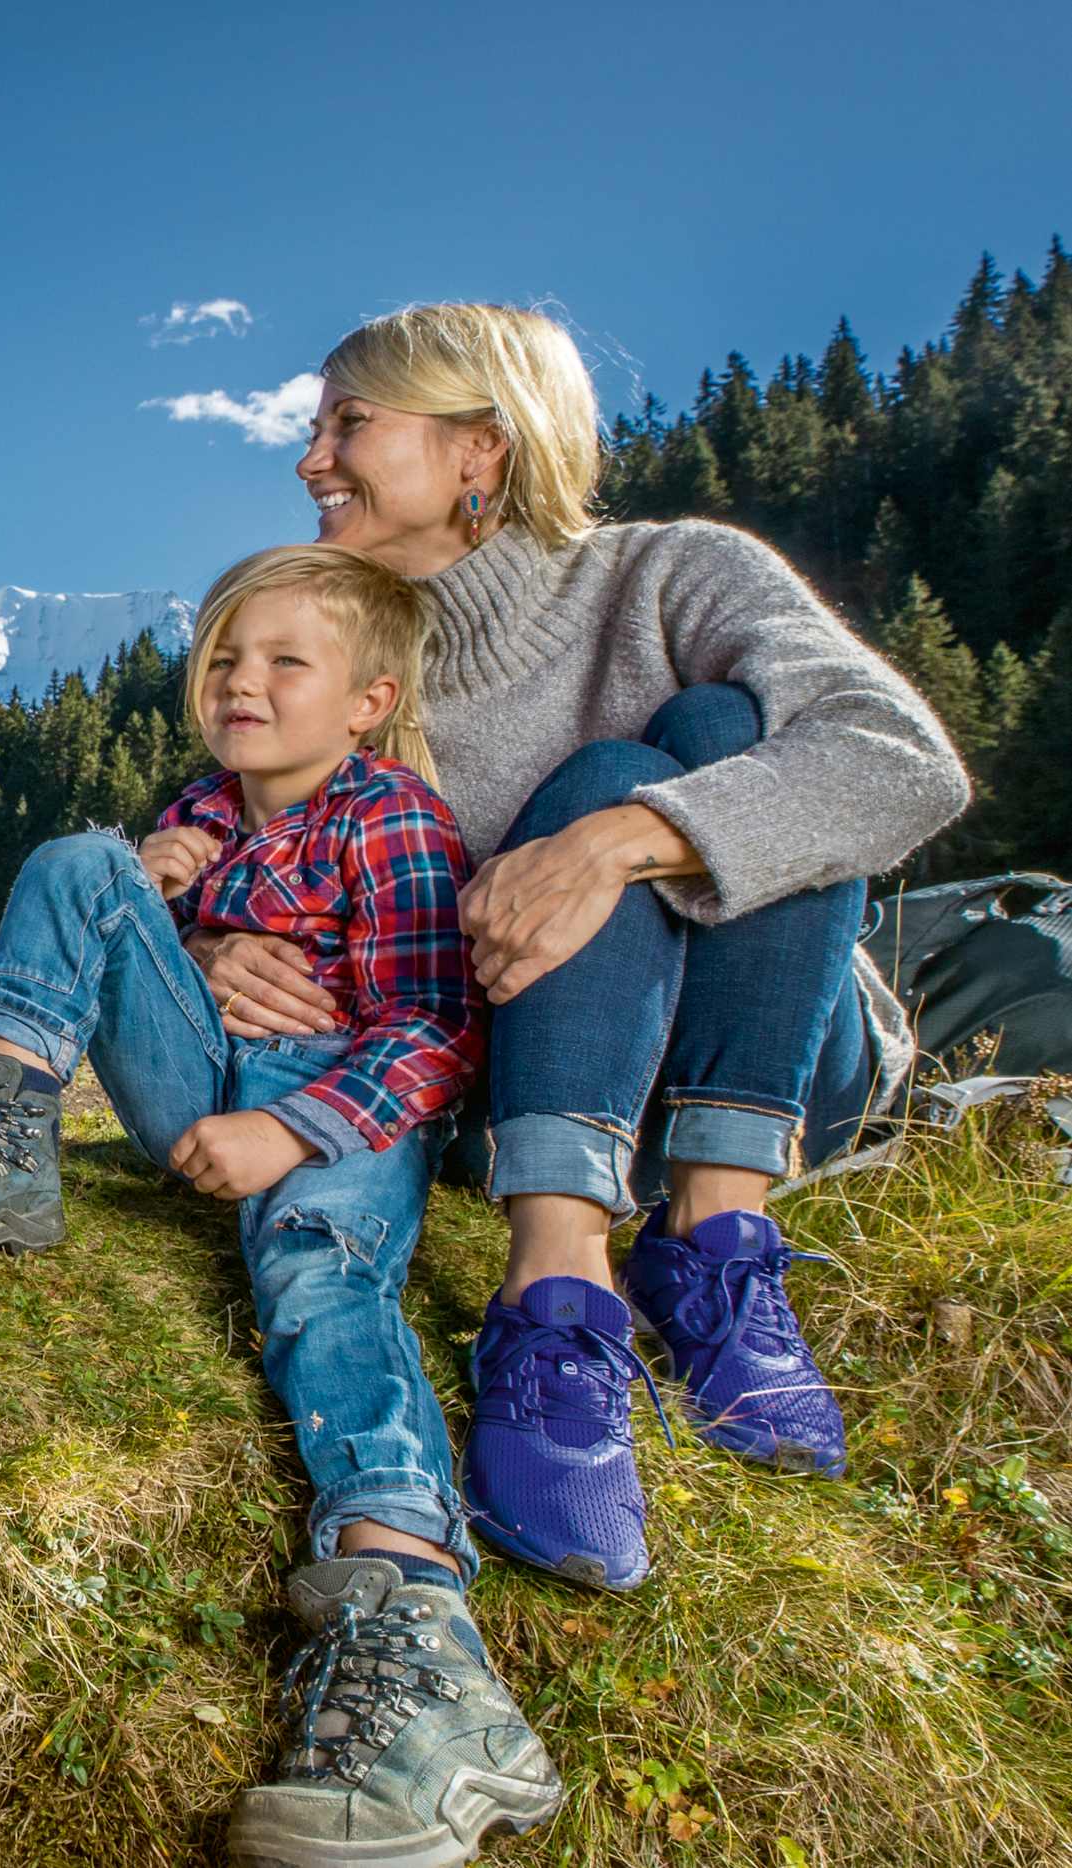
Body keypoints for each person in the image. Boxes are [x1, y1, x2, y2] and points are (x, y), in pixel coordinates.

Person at [191, 303, 968, 1591]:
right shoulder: (356, 659)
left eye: (350, 424)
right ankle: (558, 1306)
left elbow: (901, 763)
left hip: (764, 1063)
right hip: (510, 1100)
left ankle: (719, 1249)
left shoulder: (670, 569)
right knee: (610, 769)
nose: (310, 460)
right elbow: (225, 831)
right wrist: (219, 935)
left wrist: (618, 840)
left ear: (480, 449)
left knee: (705, 728)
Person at [0, 545, 559, 1867]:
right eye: (223, 657)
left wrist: (286, 1128)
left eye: (287, 662)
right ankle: (3, 1134)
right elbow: (132, 948)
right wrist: (171, 914)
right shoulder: (195, 813)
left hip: (328, 1105)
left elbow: (427, 1033)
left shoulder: (389, 815)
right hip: (201, 1100)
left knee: (320, 1276)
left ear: (365, 700)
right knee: (76, 857)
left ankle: (414, 1624)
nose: (242, 681)